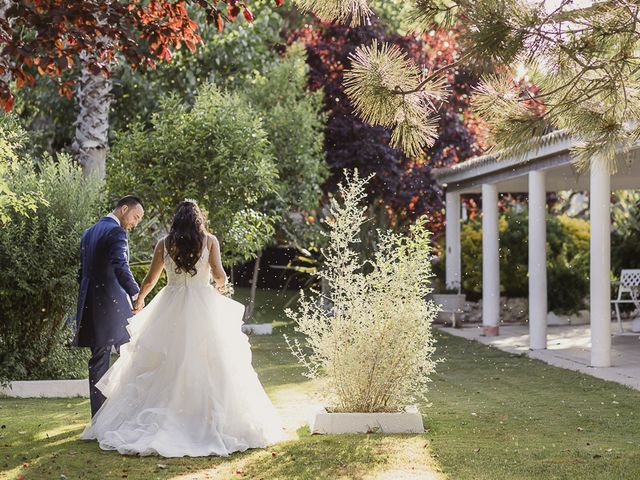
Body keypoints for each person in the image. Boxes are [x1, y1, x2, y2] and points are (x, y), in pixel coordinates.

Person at [80, 200, 284, 457]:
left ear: (177, 219)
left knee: (163, 362)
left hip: (170, 303)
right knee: (212, 362)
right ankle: (203, 419)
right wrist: (219, 287)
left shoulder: (165, 243)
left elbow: (151, 279)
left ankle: (163, 418)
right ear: (199, 219)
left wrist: (140, 298)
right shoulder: (210, 241)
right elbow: (220, 275)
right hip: (203, 303)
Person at [74, 195, 145, 417]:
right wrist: (136, 294)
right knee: (136, 352)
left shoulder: (89, 232)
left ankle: (100, 417)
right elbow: (120, 266)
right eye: (135, 217)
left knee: (99, 361)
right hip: (113, 307)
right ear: (124, 209)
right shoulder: (116, 232)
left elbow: (82, 273)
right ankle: (130, 412)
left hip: (91, 307)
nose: (134, 223)